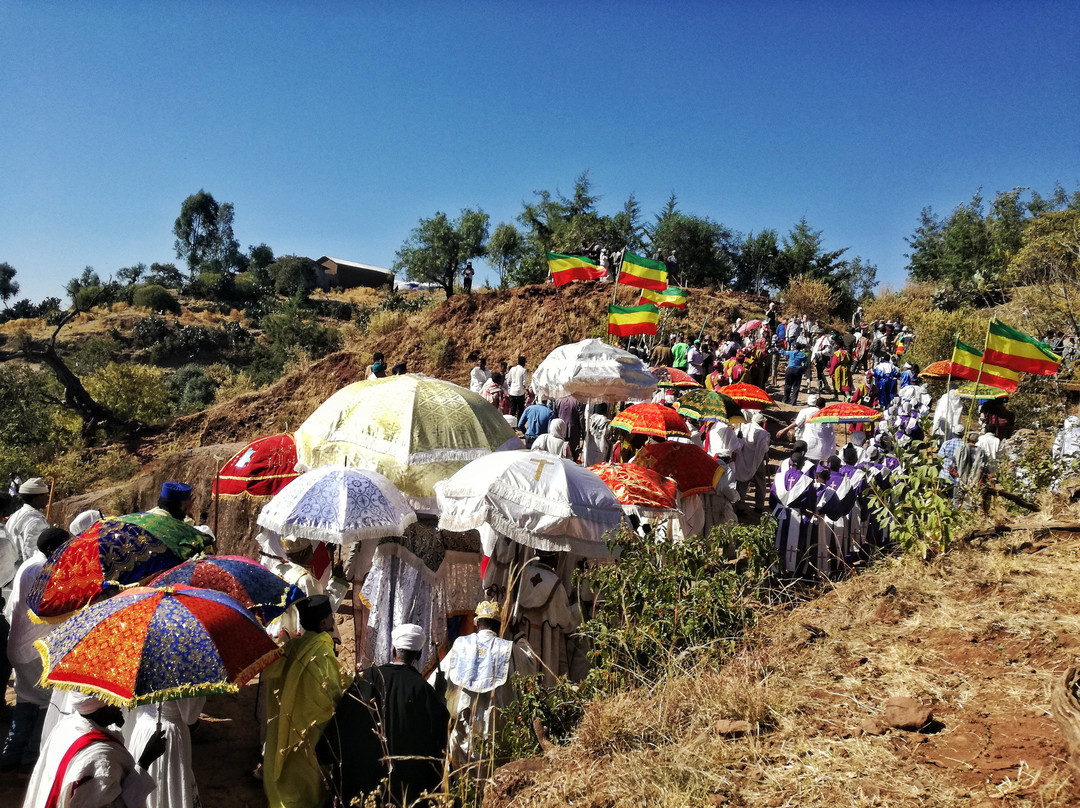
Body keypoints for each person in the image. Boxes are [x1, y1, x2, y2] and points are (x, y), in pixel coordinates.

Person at [318, 624, 449, 807]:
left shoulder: (367, 677)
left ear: (394, 650)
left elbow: (343, 724)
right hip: (404, 793)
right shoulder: (424, 690)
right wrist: (440, 696)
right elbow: (440, 737)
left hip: (363, 788)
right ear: (418, 655)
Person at [263, 595, 350, 808]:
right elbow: (327, 696)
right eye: (331, 616)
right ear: (323, 623)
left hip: (286, 718)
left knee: (288, 768)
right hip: (307, 727)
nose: (333, 619)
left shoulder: (293, 645)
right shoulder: (320, 652)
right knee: (307, 775)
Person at [437, 601, 537, 772]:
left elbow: (437, 681)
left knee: (464, 771)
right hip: (495, 725)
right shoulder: (509, 649)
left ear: (476, 624)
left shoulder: (460, 644)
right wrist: (520, 638)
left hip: (465, 721)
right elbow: (530, 664)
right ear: (500, 627)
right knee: (495, 770)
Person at [23, 693, 166, 808]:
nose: (121, 706)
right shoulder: (102, 759)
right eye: (114, 702)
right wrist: (145, 762)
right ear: (98, 711)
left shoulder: (66, 725)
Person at [3, 526, 70, 772]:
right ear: (54, 549)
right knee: (46, 703)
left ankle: (12, 755)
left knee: (26, 701)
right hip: (33, 651)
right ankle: (32, 758)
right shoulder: (41, 570)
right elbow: (50, 608)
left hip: (23, 646)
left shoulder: (32, 563)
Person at [128, 697, 205, 808]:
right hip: (168, 736)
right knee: (169, 784)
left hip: (142, 731)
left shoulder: (138, 678)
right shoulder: (181, 679)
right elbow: (189, 716)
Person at [778, 395, 835, 465]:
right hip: (821, 443)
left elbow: (796, 423)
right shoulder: (823, 413)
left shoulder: (805, 411)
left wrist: (783, 430)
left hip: (807, 441)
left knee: (806, 462)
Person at [734, 412, 772, 512]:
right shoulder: (763, 433)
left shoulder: (743, 428)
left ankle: (740, 506)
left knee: (742, 482)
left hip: (743, 460)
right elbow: (764, 448)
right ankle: (759, 506)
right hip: (757, 461)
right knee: (760, 483)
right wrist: (766, 455)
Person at [7, 477, 51, 563]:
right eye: (46, 496)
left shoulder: (17, 514)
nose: (48, 499)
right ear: (37, 498)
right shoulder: (36, 522)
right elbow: (32, 553)